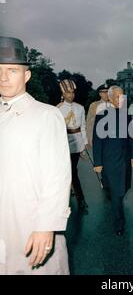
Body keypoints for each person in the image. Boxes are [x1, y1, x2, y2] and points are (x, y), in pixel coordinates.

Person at [0, 36, 71, 274]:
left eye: (12, 70)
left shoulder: (46, 115)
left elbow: (58, 176)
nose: (3, 77)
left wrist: (46, 226)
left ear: (26, 76)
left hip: (31, 223)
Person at [93, 86, 133, 236]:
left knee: (123, 189)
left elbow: (131, 137)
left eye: (122, 96)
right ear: (110, 98)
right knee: (118, 192)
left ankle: (116, 202)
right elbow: (97, 140)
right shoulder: (102, 115)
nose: (120, 99)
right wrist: (97, 162)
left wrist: (132, 156)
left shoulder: (127, 115)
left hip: (124, 160)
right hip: (110, 161)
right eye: (117, 97)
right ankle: (119, 222)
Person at [57, 79, 88, 210]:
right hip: (62, 145)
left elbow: (83, 127)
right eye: (68, 93)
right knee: (67, 172)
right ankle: (67, 199)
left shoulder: (80, 108)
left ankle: (80, 199)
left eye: (73, 92)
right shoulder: (57, 109)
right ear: (63, 94)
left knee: (72, 171)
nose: (71, 95)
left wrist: (84, 146)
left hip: (76, 144)